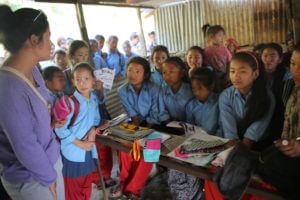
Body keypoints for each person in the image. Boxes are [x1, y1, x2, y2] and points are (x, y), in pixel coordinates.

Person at [0, 5, 65, 200]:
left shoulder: (33, 70)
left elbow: (34, 119)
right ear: (34, 40)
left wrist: (50, 124)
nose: (51, 43)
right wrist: (49, 178)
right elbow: (25, 146)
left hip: (47, 164)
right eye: (48, 36)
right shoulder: (8, 87)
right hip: (32, 179)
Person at [55, 63, 104, 200]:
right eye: (78, 79)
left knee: (86, 186)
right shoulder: (68, 103)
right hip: (73, 153)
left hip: (88, 151)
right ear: (73, 81)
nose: (83, 83)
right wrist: (80, 144)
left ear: (93, 80)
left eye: (86, 78)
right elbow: (59, 128)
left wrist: (93, 131)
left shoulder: (93, 98)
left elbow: (95, 120)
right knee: (74, 190)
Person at [112, 57, 160, 199]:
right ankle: (123, 183)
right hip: (135, 124)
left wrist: (146, 133)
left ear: (145, 74)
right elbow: (132, 114)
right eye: (130, 70)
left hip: (154, 125)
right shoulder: (122, 91)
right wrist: (138, 134)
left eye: (137, 71)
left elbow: (155, 113)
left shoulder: (154, 88)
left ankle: (132, 190)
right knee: (124, 148)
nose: (132, 74)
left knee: (150, 149)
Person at [261, 43, 294, 145]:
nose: (268, 59)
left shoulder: (287, 76)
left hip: (279, 116)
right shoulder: (257, 73)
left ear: (280, 59)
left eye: (272, 56)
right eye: (265, 56)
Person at [158, 57, 194, 124]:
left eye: (171, 71)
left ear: (182, 73)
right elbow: (162, 112)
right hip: (170, 126)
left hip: (189, 127)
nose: (167, 76)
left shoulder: (191, 91)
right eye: (164, 72)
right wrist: (173, 126)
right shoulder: (162, 91)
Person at [186, 67, 220, 135]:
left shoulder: (219, 102)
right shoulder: (190, 105)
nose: (196, 92)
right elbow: (190, 127)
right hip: (197, 139)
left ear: (211, 86)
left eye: (200, 88)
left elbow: (222, 127)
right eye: (193, 88)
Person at [204, 25, 232, 92]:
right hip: (212, 80)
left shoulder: (224, 49)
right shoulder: (205, 51)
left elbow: (230, 62)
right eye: (220, 35)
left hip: (225, 79)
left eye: (223, 36)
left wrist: (228, 75)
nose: (222, 38)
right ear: (211, 36)